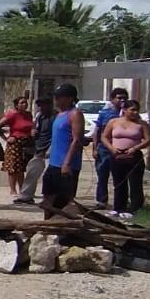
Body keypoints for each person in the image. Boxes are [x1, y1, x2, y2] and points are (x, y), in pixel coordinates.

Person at [100, 100, 150, 219]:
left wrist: (135, 148)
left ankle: (134, 208)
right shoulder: (114, 122)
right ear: (124, 110)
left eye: (136, 110)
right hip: (116, 155)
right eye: (132, 110)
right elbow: (104, 137)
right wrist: (111, 148)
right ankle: (118, 207)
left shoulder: (141, 124)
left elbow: (148, 140)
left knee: (135, 183)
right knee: (118, 183)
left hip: (133, 156)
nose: (135, 112)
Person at [44, 84, 86, 218]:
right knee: (48, 197)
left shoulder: (75, 114)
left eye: (59, 97)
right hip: (54, 163)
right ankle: (47, 225)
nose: (56, 100)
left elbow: (76, 140)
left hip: (66, 165)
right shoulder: (59, 115)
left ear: (69, 98)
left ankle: (60, 228)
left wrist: (66, 163)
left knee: (62, 200)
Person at [91, 87, 128, 209]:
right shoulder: (105, 113)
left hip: (122, 150)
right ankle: (101, 201)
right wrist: (95, 148)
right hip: (105, 150)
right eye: (119, 98)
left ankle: (121, 202)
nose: (122, 100)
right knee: (102, 176)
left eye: (124, 98)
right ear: (112, 99)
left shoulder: (128, 114)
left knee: (121, 177)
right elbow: (97, 131)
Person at [15, 97, 55, 205]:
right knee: (32, 172)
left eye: (43, 105)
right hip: (38, 147)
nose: (41, 107)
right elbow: (35, 127)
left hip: (50, 149)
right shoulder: (39, 115)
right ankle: (26, 196)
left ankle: (48, 198)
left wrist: (50, 148)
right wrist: (33, 131)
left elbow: (57, 135)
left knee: (49, 176)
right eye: (40, 105)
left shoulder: (55, 117)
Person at [0, 97, 35, 198]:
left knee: (22, 167)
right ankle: (12, 189)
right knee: (13, 167)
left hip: (26, 143)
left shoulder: (28, 115)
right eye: (22, 103)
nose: (24, 104)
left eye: (25, 102)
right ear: (16, 105)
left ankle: (22, 188)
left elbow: (31, 126)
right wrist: (6, 138)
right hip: (15, 142)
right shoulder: (12, 114)